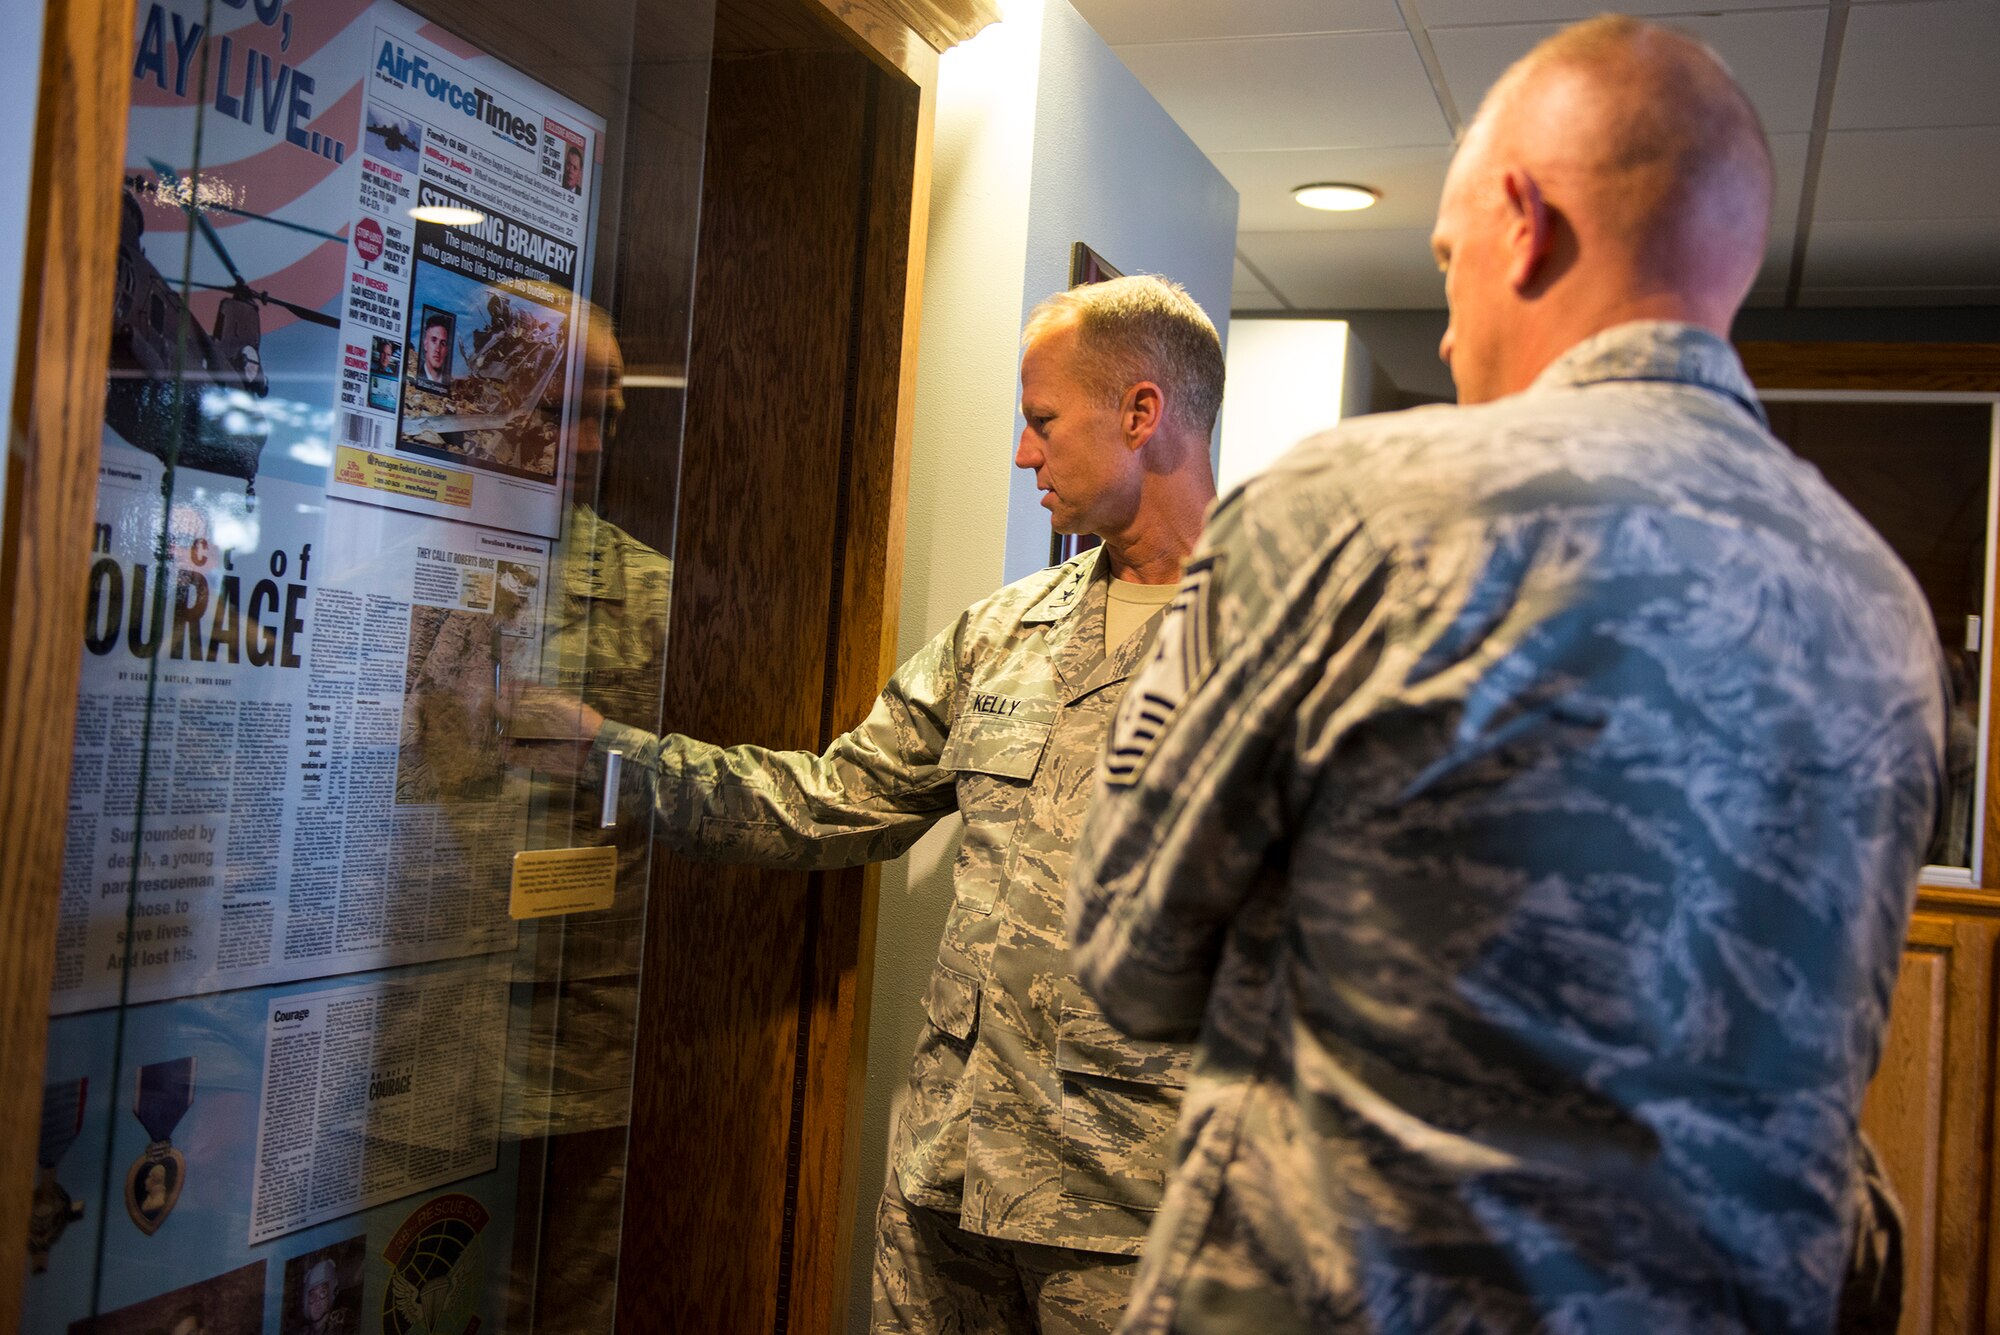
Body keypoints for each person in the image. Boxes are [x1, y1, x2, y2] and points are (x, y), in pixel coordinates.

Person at [1068, 18, 1947, 1335]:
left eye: (1446, 258)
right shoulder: (1886, 610)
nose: (1450, 320)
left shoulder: (1351, 509)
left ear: (1523, 221)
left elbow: (1125, 958)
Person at [509, 275, 1223, 1333]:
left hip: (1139, 1212)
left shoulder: (1305, 644)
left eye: (1040, 423)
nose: (1023, 455)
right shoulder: (1004, 632)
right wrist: (606, 757)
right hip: (947, 1184)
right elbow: (833, 799)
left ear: (1139, 413)